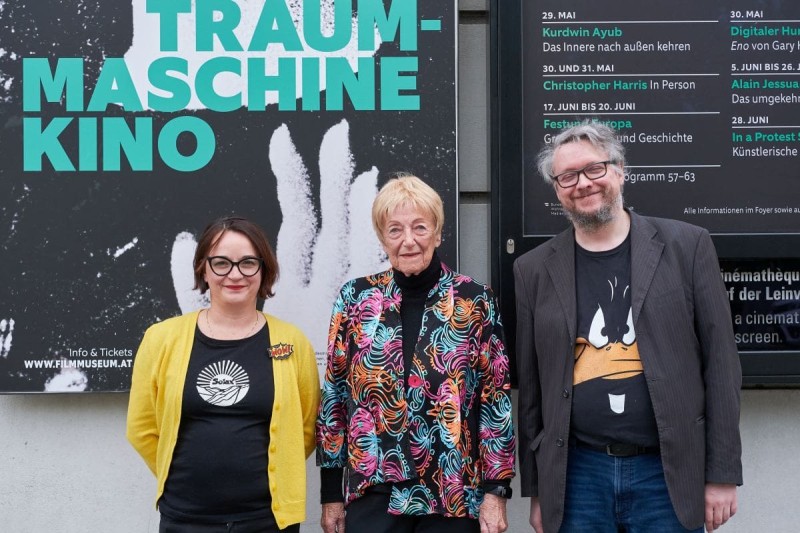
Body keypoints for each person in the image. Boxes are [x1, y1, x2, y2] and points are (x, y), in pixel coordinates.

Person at [514, 120, 743, 533]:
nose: (582, 183)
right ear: (557, 188)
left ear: (619, 170)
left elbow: (722, 365)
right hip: (577, 475)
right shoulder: (532, 270)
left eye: (594, 169)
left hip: (667, 472)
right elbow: (532, 392)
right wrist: (538, 491)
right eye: (567, 176)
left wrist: (722, 473)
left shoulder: (687, 246)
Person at [316, 175, 515, 533]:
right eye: (395, 230)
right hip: (373, 493)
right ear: (382, 238)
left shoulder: (474, 300)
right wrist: (331, 493)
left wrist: (495, 492)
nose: (408, 240)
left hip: (453, 495)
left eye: (420, 227)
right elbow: (334, 398)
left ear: (438, 234)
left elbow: (494, 401)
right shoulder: (355, 299)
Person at [126, 216, 320, 532]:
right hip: (186, 518)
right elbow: (142, 426)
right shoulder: (161, 338)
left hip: (268, 520)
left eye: (247, 263)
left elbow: (307, 427)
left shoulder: (292, 342)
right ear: (203, 267)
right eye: (221, 263)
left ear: (264, 270)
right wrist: (179, 478)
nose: (234, 274)